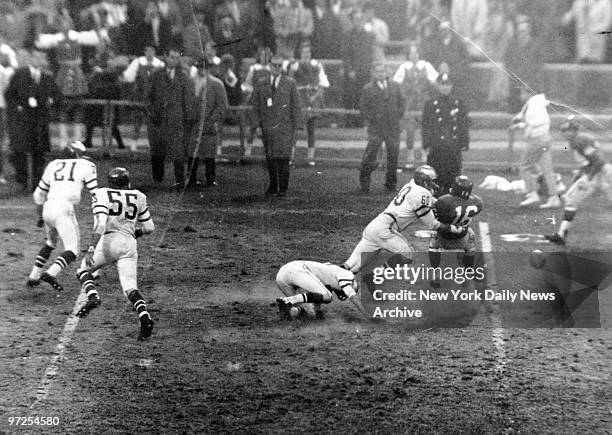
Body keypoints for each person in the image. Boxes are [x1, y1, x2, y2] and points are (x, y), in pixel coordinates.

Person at [74, 167, 156, 341]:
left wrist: (90, 248)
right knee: (130, 287)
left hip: (109, 241)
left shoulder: (102, 194)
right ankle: (145, 317)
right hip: (129, 243)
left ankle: (93, 296)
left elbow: (100, 225)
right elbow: (149, 228)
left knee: (82, 270)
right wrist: (134, 233)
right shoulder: (139, 196)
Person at [343, 165, 464, 275]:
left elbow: (434, 203)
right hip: (386, 229)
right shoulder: (422, 194)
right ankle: (375, 276)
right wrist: (453, 228)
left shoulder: (411, 185)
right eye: (431, 181)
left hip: (374, 227)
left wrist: (449, 207)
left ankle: (329, 280)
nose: (433, 184)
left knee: (350, 267)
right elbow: (432, 224)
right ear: (424, 181)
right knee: (407, 256)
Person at [26, 141, 98, 291]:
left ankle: (34, 276)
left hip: (48, 206)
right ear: (77, 154)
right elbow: (95, 192)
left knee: (51, 242)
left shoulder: (53, 164)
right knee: (72, 250)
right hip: (64, 208)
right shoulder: (85, 165)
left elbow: (38, 194)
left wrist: (40, 217)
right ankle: (51, 273)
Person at [545, 116, 612, 245]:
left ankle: (561, 236)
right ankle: (561, 235)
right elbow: (590, 161)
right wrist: (582, 172)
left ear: (575, 130)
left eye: (568, 130)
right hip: (599, 172)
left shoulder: (579, 140)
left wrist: (588, 177)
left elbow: (598, 161)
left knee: (571, 200)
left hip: (601, 173)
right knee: (570, 200)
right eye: (564, 131)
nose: (565, 133)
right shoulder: (577, 140)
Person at [5, 49, 59, 191]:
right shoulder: (19, 75)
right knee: (20, 151)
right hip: (22, 120)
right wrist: (18, 108)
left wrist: (50, 100)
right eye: (37, 57)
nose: (39, 60)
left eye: (42, 57)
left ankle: (37, 182)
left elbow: (56, 94)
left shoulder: (47, 77)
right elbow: (10, 94)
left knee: (39, 152)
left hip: (39, 121)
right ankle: (22, 180)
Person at [251, 54, 301, 198]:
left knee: (284, 158)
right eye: (274, 65)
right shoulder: (261, 83)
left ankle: (283, 189)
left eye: (279, 65)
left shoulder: (290, 83)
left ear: (282, 67)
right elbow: (256, 106)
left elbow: (296, 106)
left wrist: (297, 128)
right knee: (270, 158)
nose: (277, 68)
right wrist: (257, 126)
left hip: (285, 128)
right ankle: (273, 186)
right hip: (267, 127)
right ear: (269, 66)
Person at [147, 46, 195, 187]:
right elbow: (148, 96)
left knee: (178, 152)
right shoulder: (156, 75)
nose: (175, 60)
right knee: (157, 150)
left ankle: (179, 180)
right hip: (158, 120)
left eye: (177, 57)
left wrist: (188, 119)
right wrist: (151, 112)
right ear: (165, 56)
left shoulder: (184, 76)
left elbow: (188, 99)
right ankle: (157, 181)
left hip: (177, 120)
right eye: (172, 57)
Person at [428, 175, 484, 288]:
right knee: (471, 238)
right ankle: (467, 273)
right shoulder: (478, 202)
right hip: (462, 239)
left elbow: (435, 218)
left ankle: (435, 275)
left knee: (433, 243)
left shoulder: (444, 201)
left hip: (443, 238)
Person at [509, 87, 561, 209]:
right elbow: (536, 121)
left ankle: (531, 194)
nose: (520, 95)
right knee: (547, 170)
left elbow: (533, 122)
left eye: (522, 93)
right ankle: (554, 198)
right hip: (546, 138)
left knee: (524, 167)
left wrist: (519, 123)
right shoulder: (539, 102)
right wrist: (520, 125)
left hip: (536, 139)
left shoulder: (532, 104)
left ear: (528, 93)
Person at [358, 62, 405, 193]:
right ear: (373, 73)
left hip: (393, 128)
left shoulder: (395, 86)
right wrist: (372, 118)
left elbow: (402, 103)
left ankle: (391, 185)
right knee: (370, 156)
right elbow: (363, 107)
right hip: (376, 129)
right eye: (378, 71)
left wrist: (396, 116)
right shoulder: (367, 89)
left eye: (383, 71)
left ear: (387, 72)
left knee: (393, 157)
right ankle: (365, 184)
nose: (380, 74)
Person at [421, 73, 470, 195]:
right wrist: (426, 144)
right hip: (437, 146)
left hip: (453, 146)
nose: (445, 87)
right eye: (442, 84)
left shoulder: (459, 103)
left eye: (447, 84)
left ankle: (450, 203)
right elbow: (426, 125)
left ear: (451, 86)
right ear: (438, 86)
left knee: (453, 176)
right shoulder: (431, 104)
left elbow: (463, 124)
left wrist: (464, 142)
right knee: (435, 177)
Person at [392, 41, 438, 170]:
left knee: (426, 129)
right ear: (408, 54)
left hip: (424, 102)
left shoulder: (426, 66)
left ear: (419, 53)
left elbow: (435, 80)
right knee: (410, 131)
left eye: (416, 52)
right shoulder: (404, 67)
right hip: (410, 103)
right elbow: (396, 83)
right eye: (411, 53)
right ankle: (410, 157)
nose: (414, 55)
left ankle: (425, 156)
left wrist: (434, 85)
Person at [273, 260, 369, 320]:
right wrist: (367, 315)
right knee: (327, 297)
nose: (342, 295)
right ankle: (288, 300)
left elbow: (317, 293)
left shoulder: (331, 271)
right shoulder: (348, 278)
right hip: (296, 270)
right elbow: (353, 297)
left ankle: (285, 310)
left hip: (282, 277)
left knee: (306, 314)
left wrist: (318, 312)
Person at [187, 57, 229, 188]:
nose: (202, 70)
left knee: (209, 154)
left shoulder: (217, 84)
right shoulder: (190, 82)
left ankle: (210, 179)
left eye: (204, 67)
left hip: (209, 124)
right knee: (192, 153)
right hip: (193, 124)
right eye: (199, 67)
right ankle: (191, 179)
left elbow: (222, 106)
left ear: (209, 68)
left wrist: (211, 120)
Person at [288, 40, 329, 166]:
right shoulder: (294, 66)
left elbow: (323, 84)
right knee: (295, 129)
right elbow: (290, 83)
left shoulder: (317, 65)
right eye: (303, 52)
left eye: (308, 52)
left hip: (313, 98)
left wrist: (316, 96)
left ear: (311, 53)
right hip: (300, 99)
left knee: (311, 129)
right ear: (300, 53)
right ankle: (290, 156)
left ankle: (310, 158)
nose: (306, 54)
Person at [121, 45, 165, 141]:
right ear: (144, 52)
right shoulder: (138, 62)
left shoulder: (160, 65)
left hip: (154, 99)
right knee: (137, 122)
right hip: (140, 97)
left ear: (154, 52)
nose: (149, 53)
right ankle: (134, 147)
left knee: (155, 124)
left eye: (151, 51)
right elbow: (128, 77)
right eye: (147, 51)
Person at [241, 46, 272, 157]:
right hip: (255, 100)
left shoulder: (272, 68)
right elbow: (247, 84)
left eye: (266, 55)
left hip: (268, 101)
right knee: (253, 126)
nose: (264, 57)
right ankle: (247, 152)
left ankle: (268, 153)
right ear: (259, 56)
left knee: (267, 128)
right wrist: (251, 92)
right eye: (262, 55)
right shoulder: (254, 68)